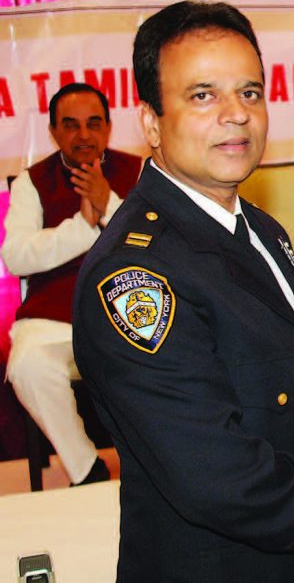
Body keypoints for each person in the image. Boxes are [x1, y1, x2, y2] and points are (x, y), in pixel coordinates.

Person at [72, 0, 294, 582]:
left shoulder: (258, 226)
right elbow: (216, 473)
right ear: (152, 122)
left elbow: (267, 401)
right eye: (203, 95)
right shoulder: (136, 277)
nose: (237, 115)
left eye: (251, 93)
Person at [2, 82, 141, 485]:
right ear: (54, 132)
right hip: (52, 318)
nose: (83, 135)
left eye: (93, 123)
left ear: (109, 128)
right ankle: (86, 469)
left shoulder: (139, 172)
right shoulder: (32, 182)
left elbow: (161, 245)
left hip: (127, 313)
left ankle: (163, 468)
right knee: (28, 364)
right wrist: (83, 225)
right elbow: (17, 256)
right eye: (71, 125)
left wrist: (109, 205)